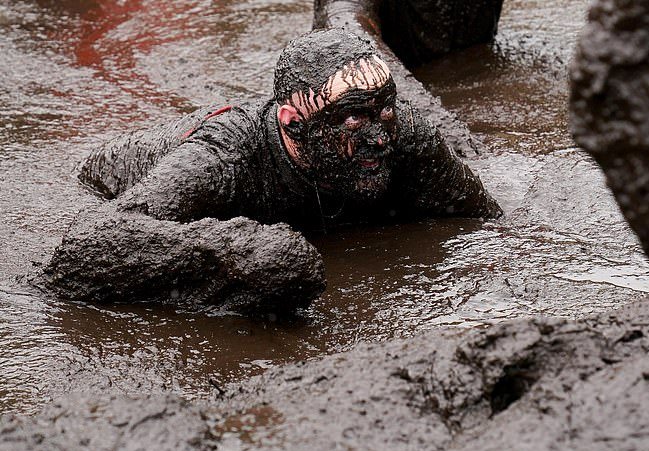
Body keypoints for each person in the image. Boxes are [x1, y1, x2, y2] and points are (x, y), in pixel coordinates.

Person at [45, 28, 502, 315]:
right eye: (353, 119)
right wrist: (239, 250)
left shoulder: (405, 135)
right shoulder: (224, 156)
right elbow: (85, 244)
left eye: (384, 111)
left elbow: (486, 218)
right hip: (104, 180)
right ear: (294, 126)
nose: (380, 138)